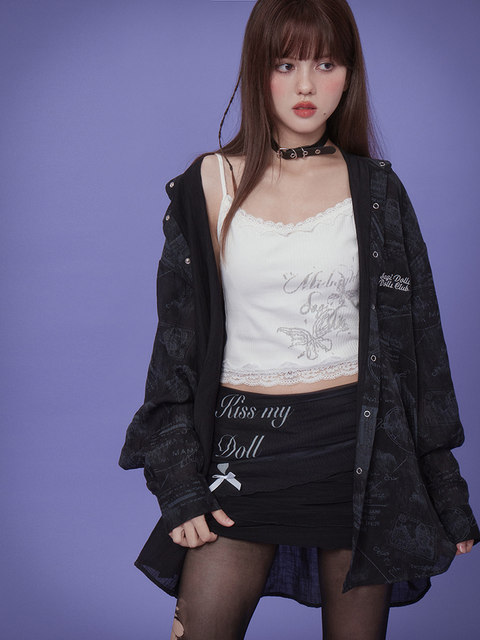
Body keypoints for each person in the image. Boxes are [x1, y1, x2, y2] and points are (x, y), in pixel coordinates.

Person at [119, 1, 479, 638]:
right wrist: (178, 482)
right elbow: (175, 351)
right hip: (243, 452)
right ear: (256, 71)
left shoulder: (378, 190)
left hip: (360, 459)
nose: (306, 85)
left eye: (326, 64)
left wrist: (444, 488)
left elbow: (421, 350)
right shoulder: (207, 184)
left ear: (350, 74)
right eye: (285, 64)